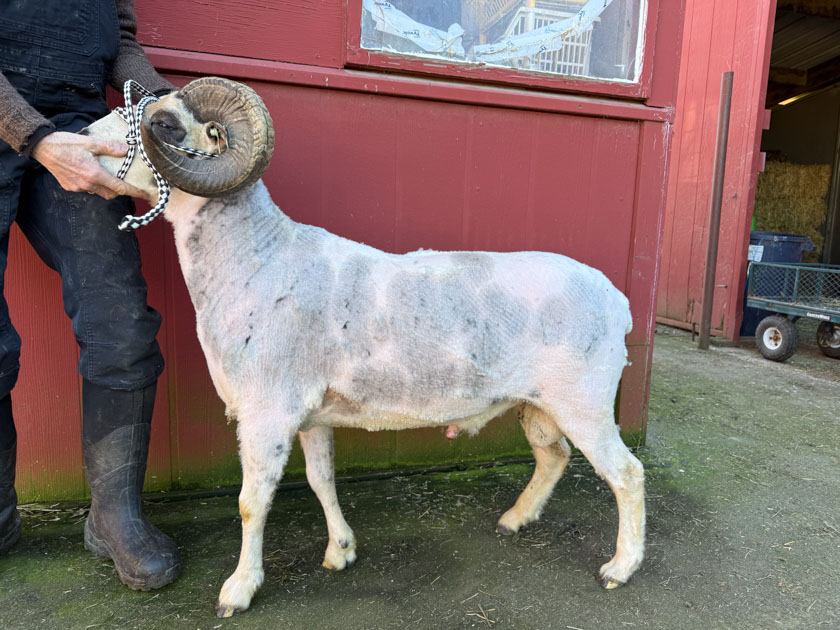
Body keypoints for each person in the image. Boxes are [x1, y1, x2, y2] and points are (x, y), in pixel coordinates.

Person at [0, 1, 181, 590]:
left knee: (122, 326)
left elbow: (118, 38)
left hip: (81, 129)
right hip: (19, 120)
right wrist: (36, 137)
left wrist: (157, 98)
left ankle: (114, 518)